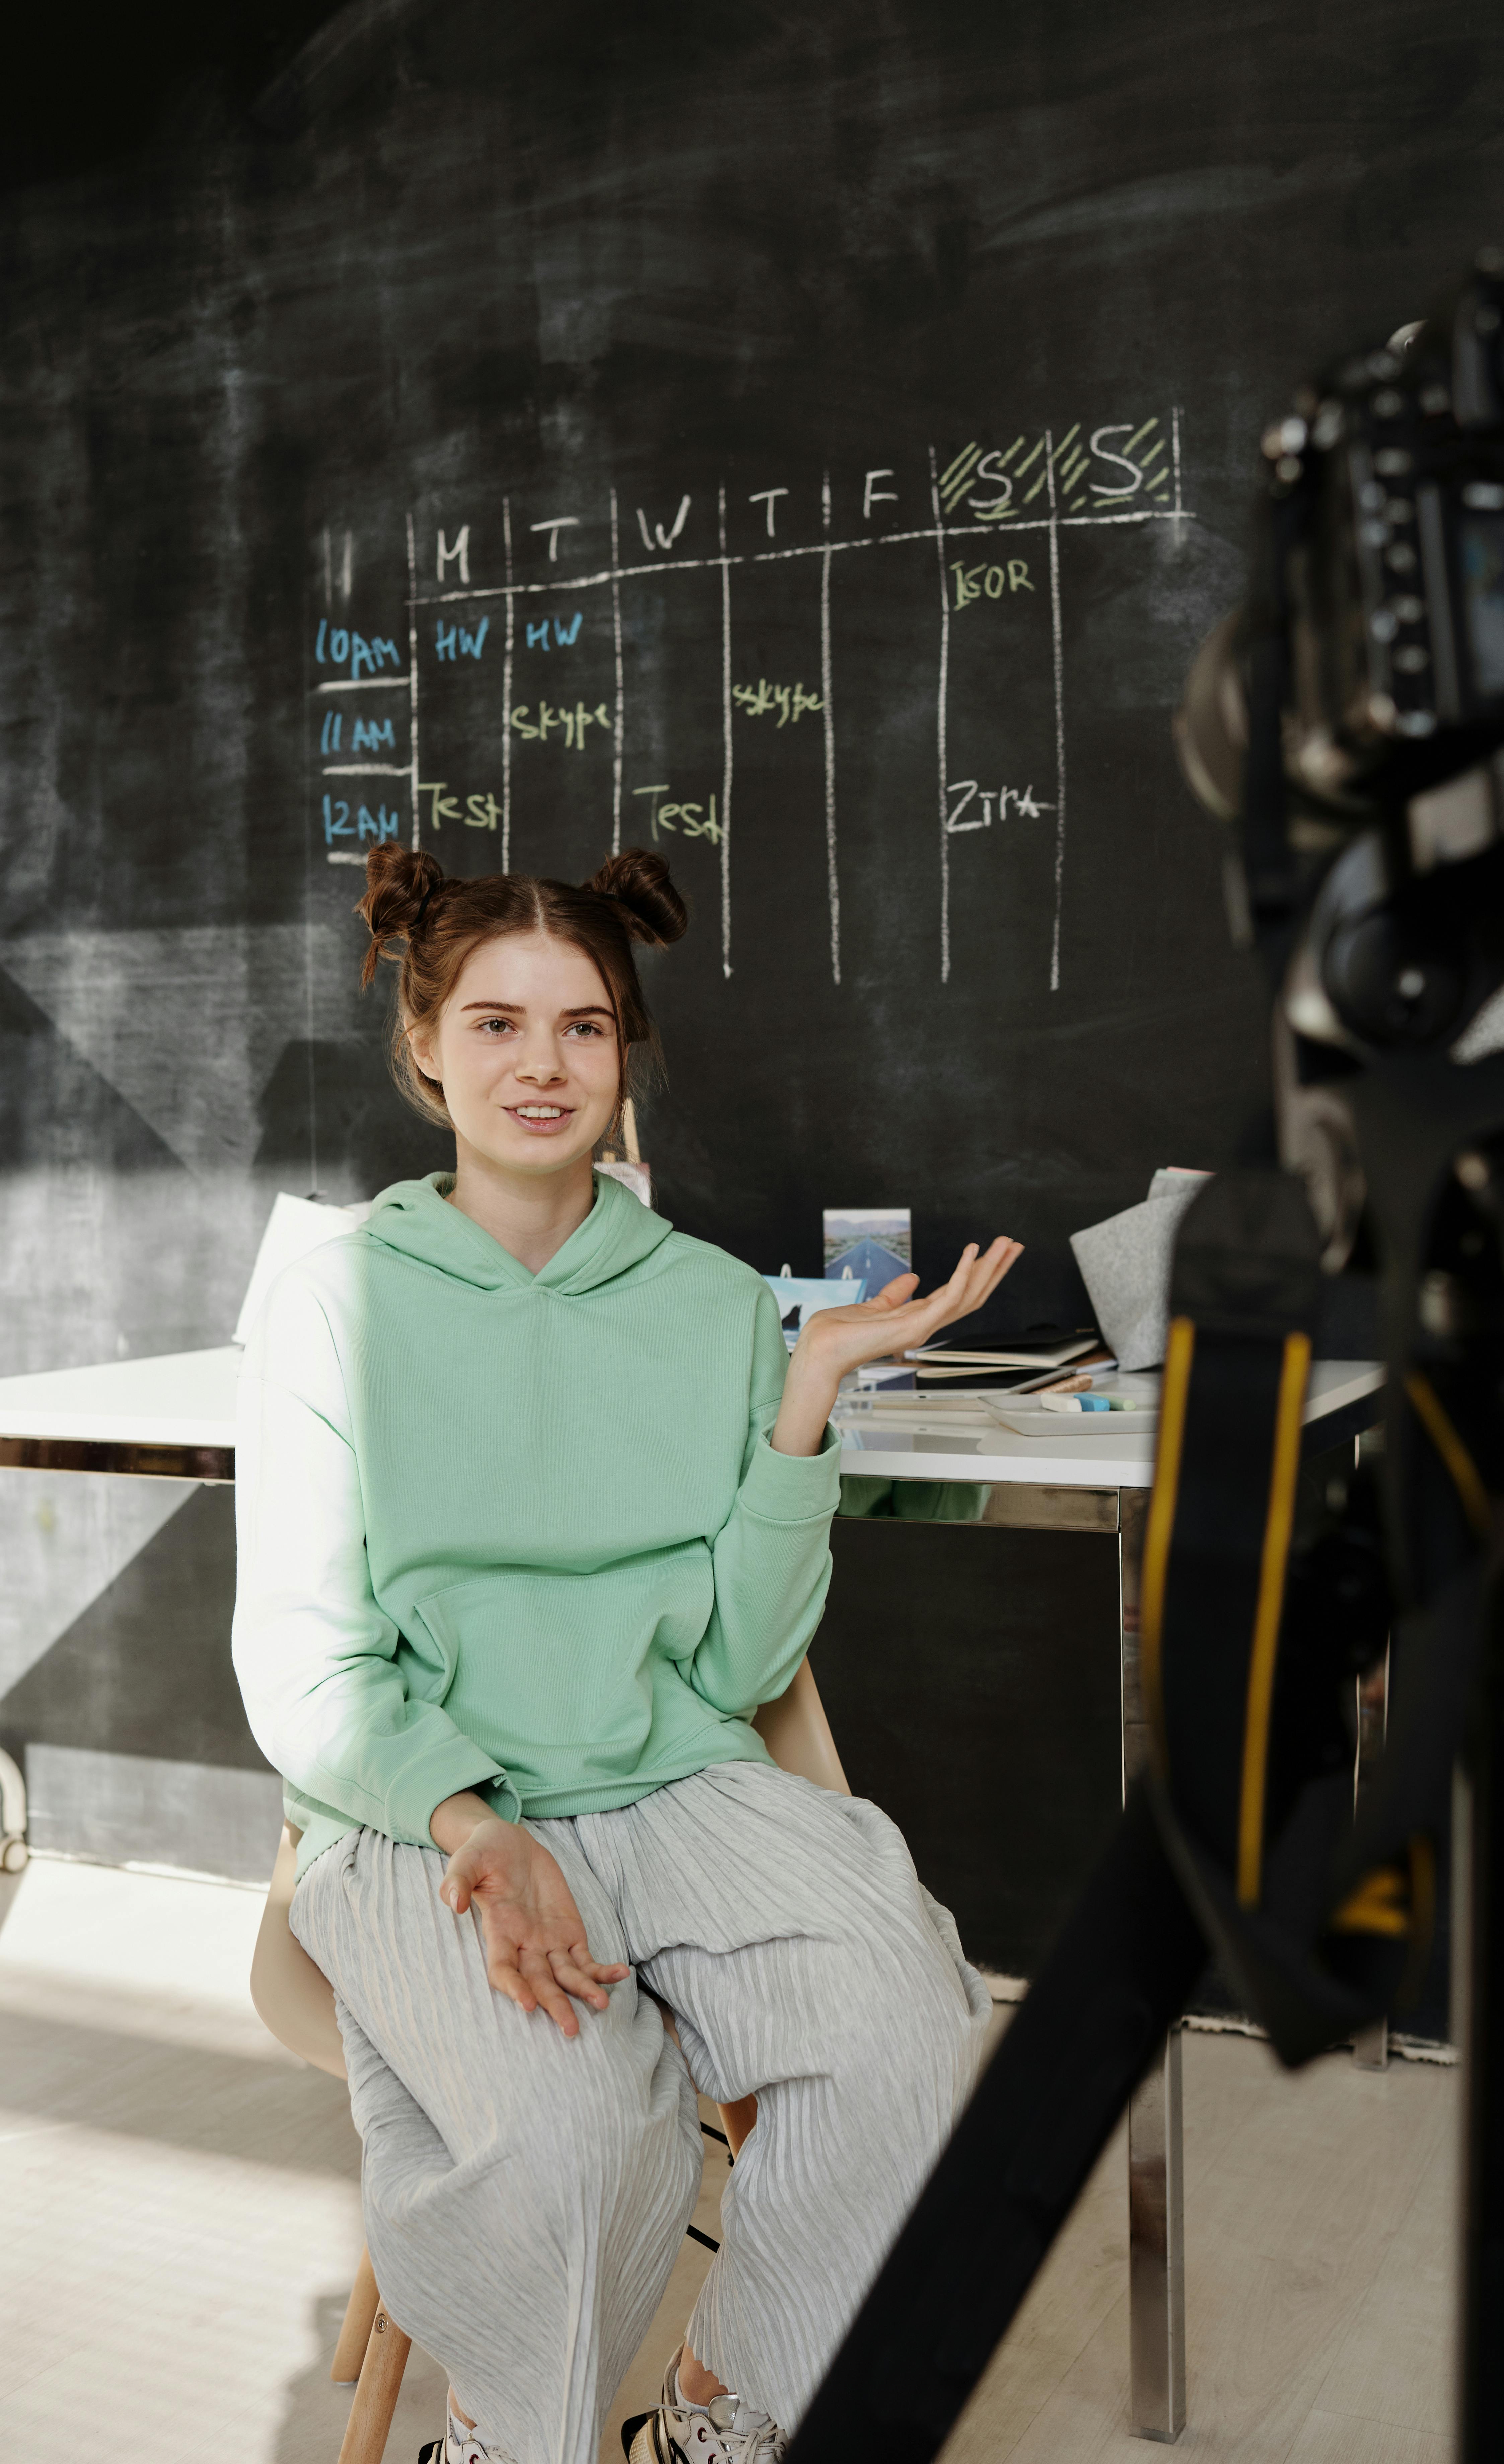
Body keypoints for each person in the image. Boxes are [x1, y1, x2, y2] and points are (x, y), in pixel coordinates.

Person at [232, 842, 1023, 2464]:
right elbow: (310, 1665)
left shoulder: (716, 1303)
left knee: (906, 2026)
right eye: (500, 1024)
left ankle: (727, 2416)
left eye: (584, 1027)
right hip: (427, 1805)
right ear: (425, 1043)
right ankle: (511, 2436)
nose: (544, 1065)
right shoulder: (331, 1299)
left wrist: (808, 1396)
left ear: (624, 1051)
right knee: (578, 2135)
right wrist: (476, 1825)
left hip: (677, 1777)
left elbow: (738, 1658)